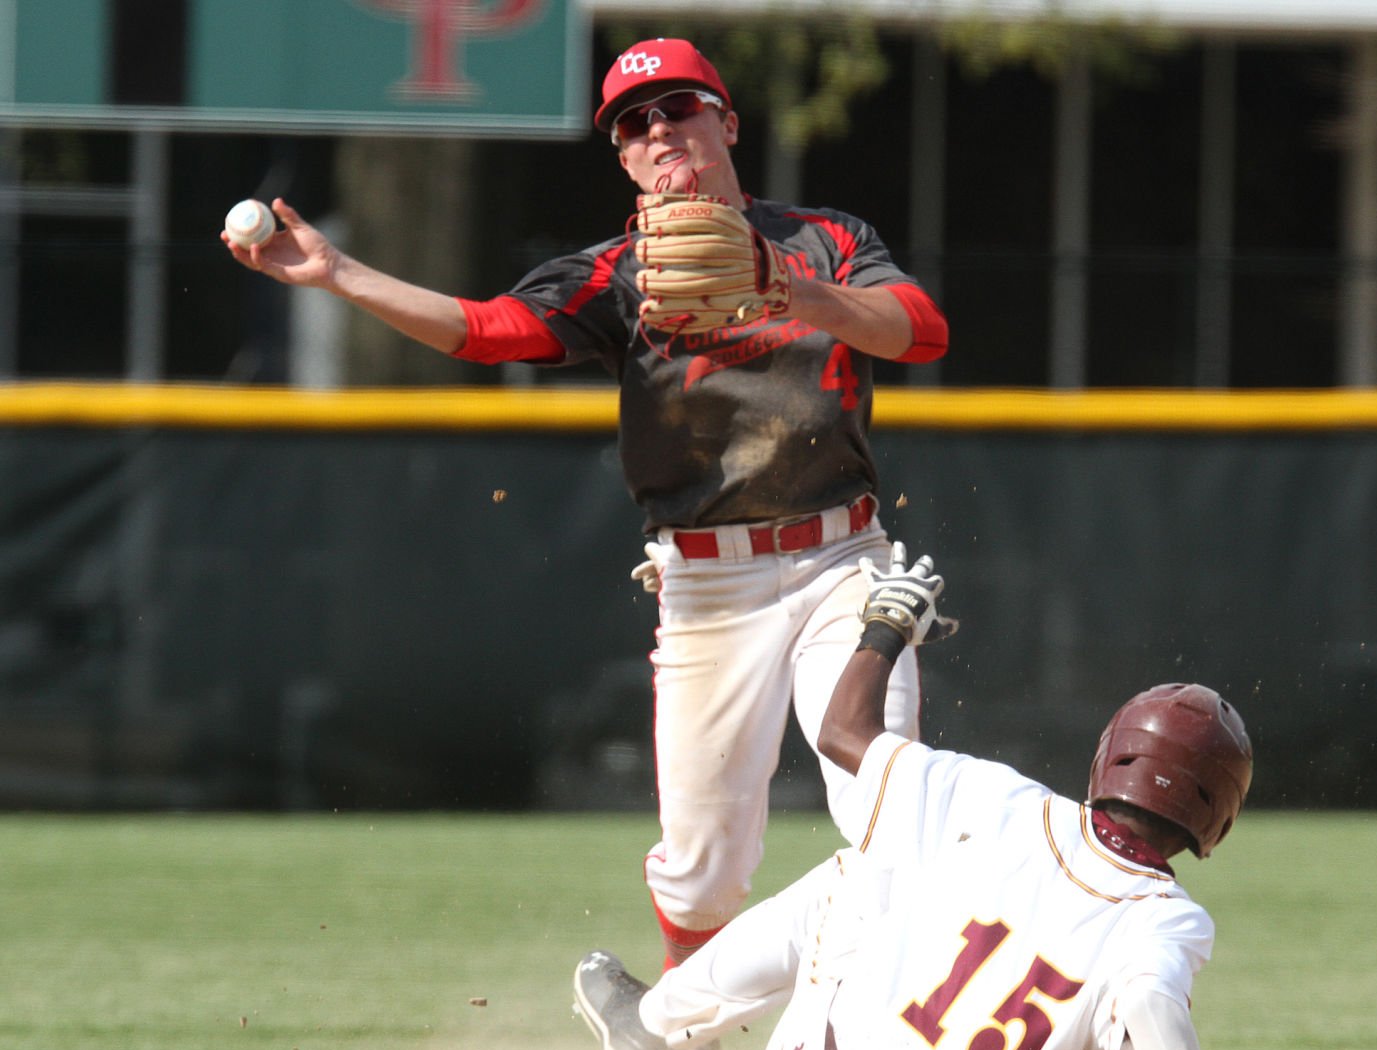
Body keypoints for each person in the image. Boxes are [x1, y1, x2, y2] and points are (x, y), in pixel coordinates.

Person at [224, 39, 950, 995]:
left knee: (885, 805)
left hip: (842, 565)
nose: (659, 132)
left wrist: (789, 286)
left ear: (725, 122)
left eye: (678, 108)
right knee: (704, 867)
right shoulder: (613, 274)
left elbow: (921, 329)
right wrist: (338, 274)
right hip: (707, 586)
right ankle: (680, 1049)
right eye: (634, 124)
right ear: (623, 156)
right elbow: (485, 331)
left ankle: (878, 1049)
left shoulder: (826, 239)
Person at [571, 544, 1339, 1050]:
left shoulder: (997, 796)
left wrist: (884, 629)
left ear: (1111, 754)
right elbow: (1149, 1005)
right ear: (1217, 817)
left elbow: (842, 733)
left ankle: (653, 1029)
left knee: (855, 870)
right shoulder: (1169, 918)